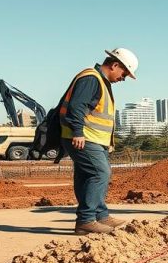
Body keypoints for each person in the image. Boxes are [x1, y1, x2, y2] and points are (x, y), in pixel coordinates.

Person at [58, 48, 138, 235]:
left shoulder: (101, 81)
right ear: (115, 65)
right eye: (124, 74)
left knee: (87, 176)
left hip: (94, 139)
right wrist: (78, 132)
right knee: (100, 173)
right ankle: (86, 220)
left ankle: (100, 215)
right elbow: (77, 106)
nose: (123, 78)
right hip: (83, 137)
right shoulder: (91, 79)